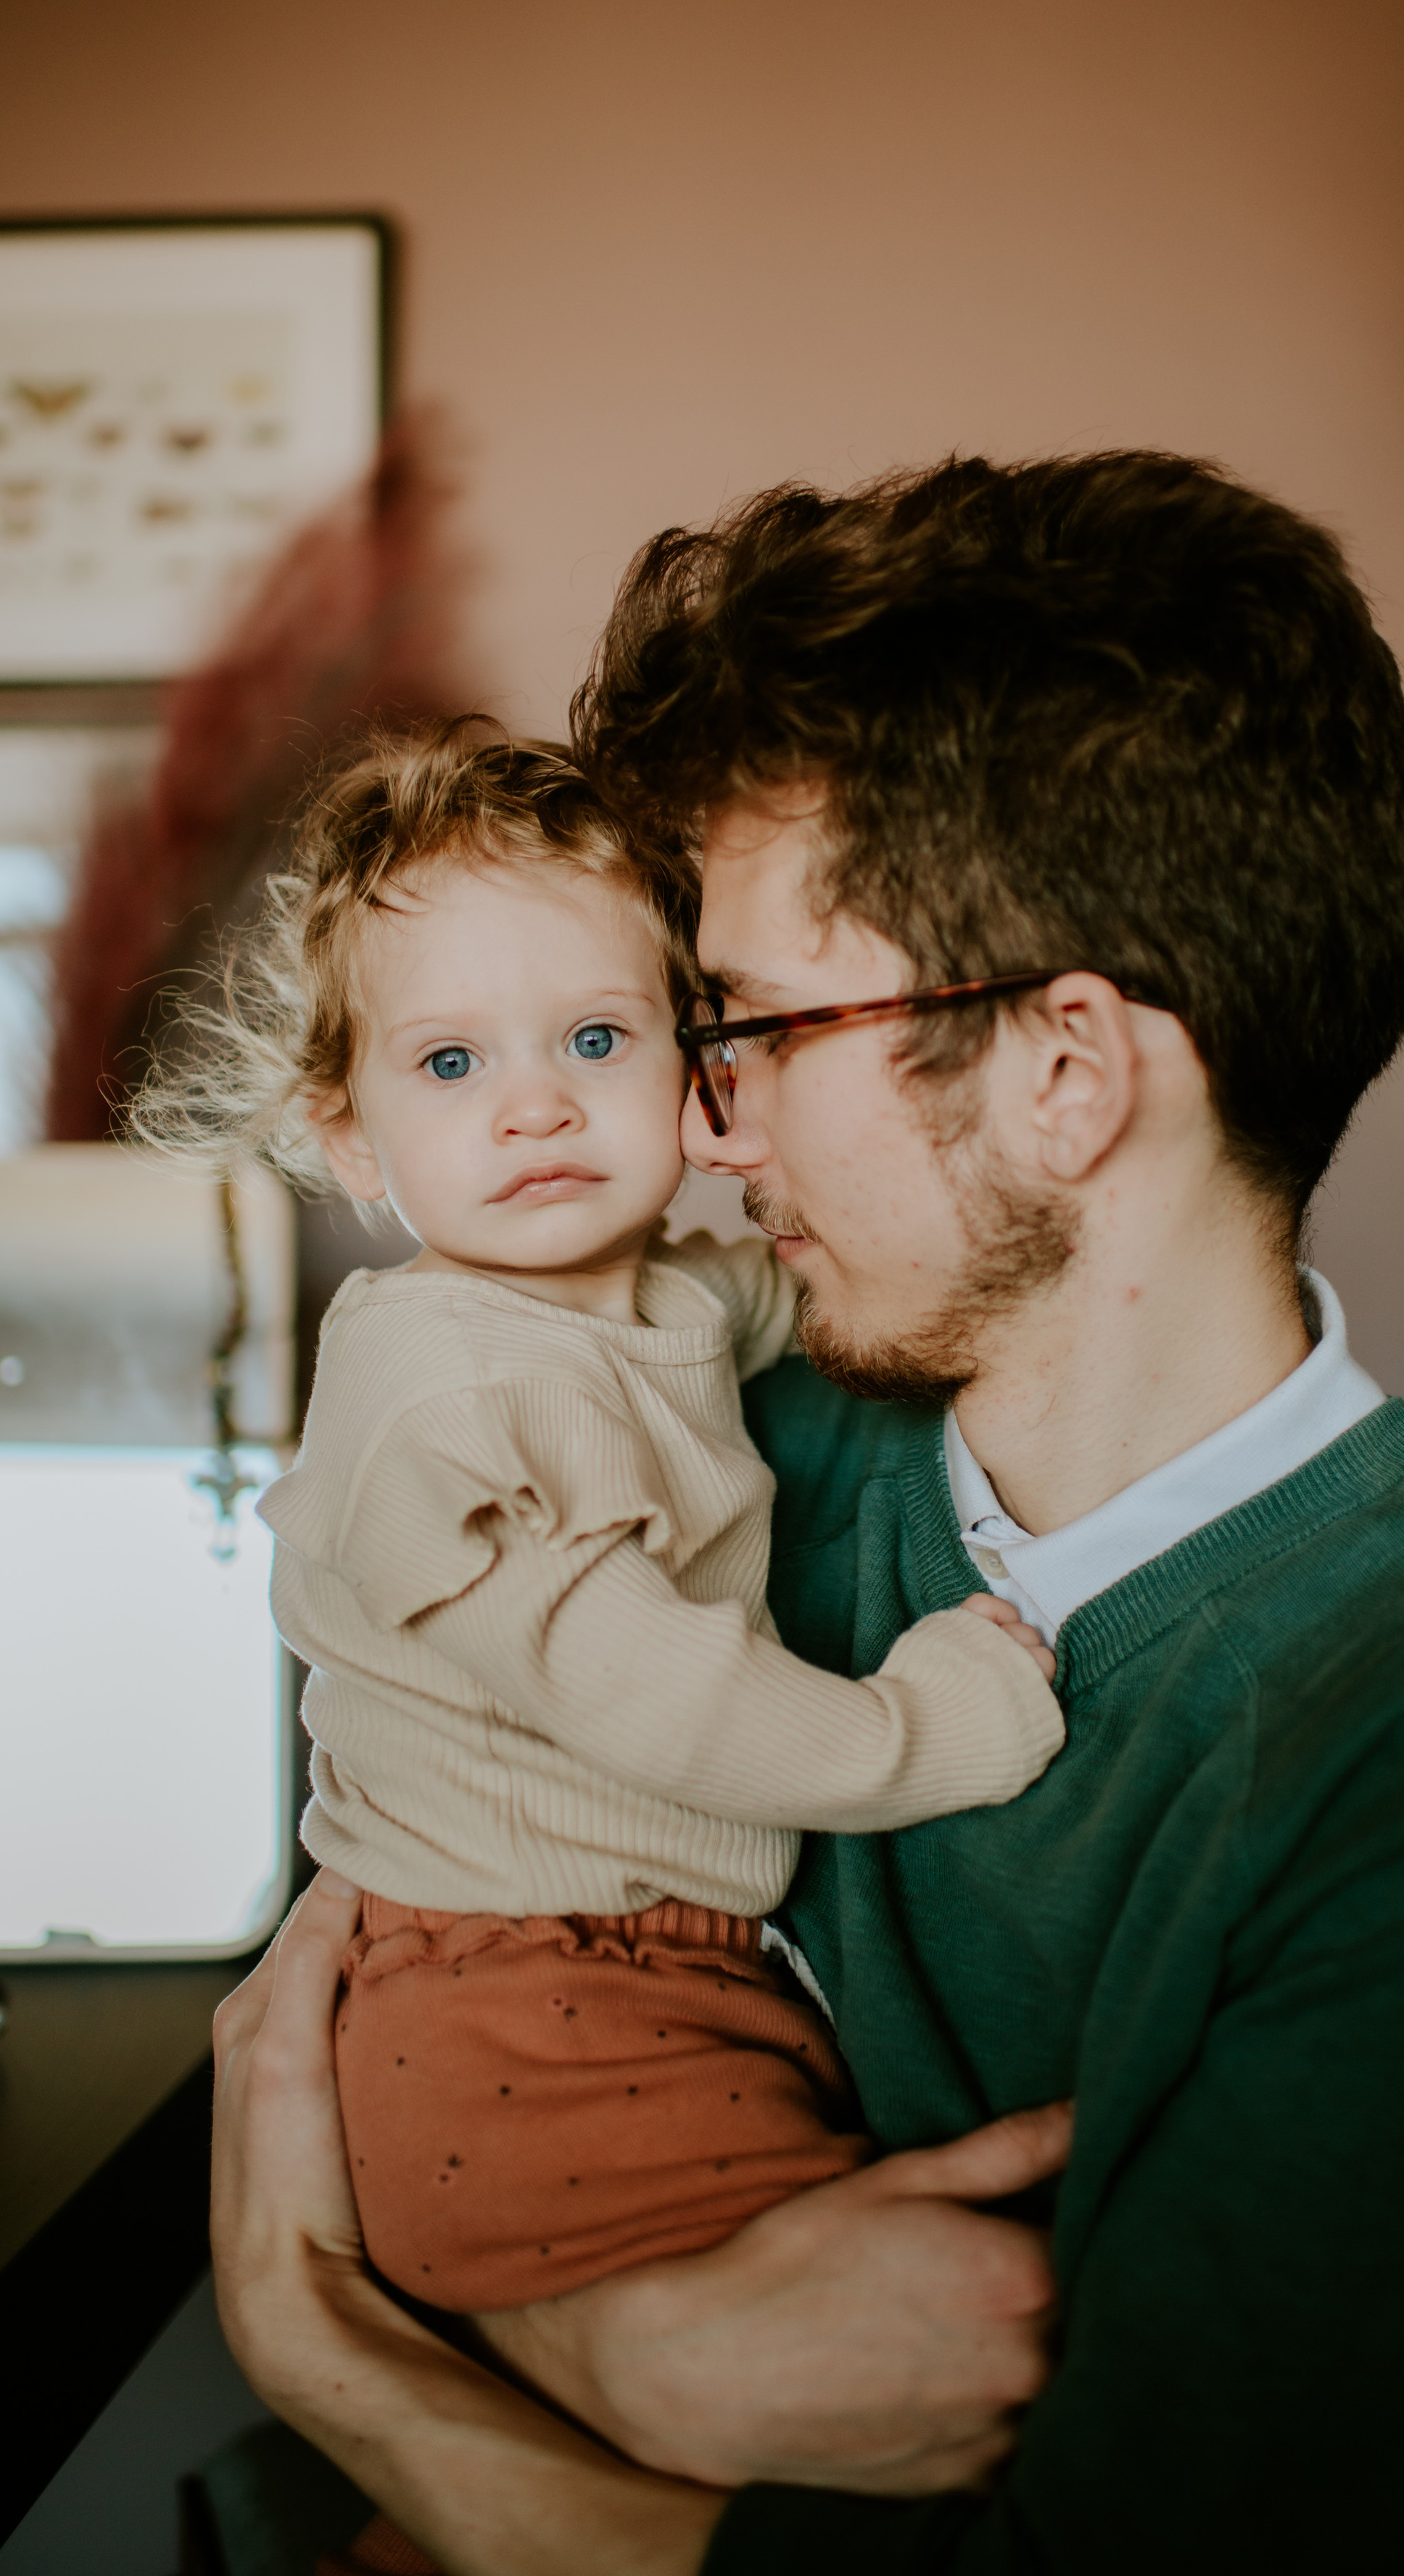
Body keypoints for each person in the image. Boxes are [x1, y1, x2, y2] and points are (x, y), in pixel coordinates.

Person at [210, 453, 1404, 2572]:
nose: (706, 1132)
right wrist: (607, 2335)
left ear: (1064, 1073)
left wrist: (338, 2352)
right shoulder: (728, 1436)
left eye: (753, 1030)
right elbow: (368, 1949)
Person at [137, 728, 1058, 2323]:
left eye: (592, 1037)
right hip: (518, 1998)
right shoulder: (444, 1391)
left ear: (693, 1070)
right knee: (901, 2340)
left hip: (629, 1965)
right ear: (346, 1130)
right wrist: (925, 1728)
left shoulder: (645, 1297)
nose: (535, 1108)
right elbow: (664, 1698)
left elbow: (770, 1290)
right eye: (450, 1064)